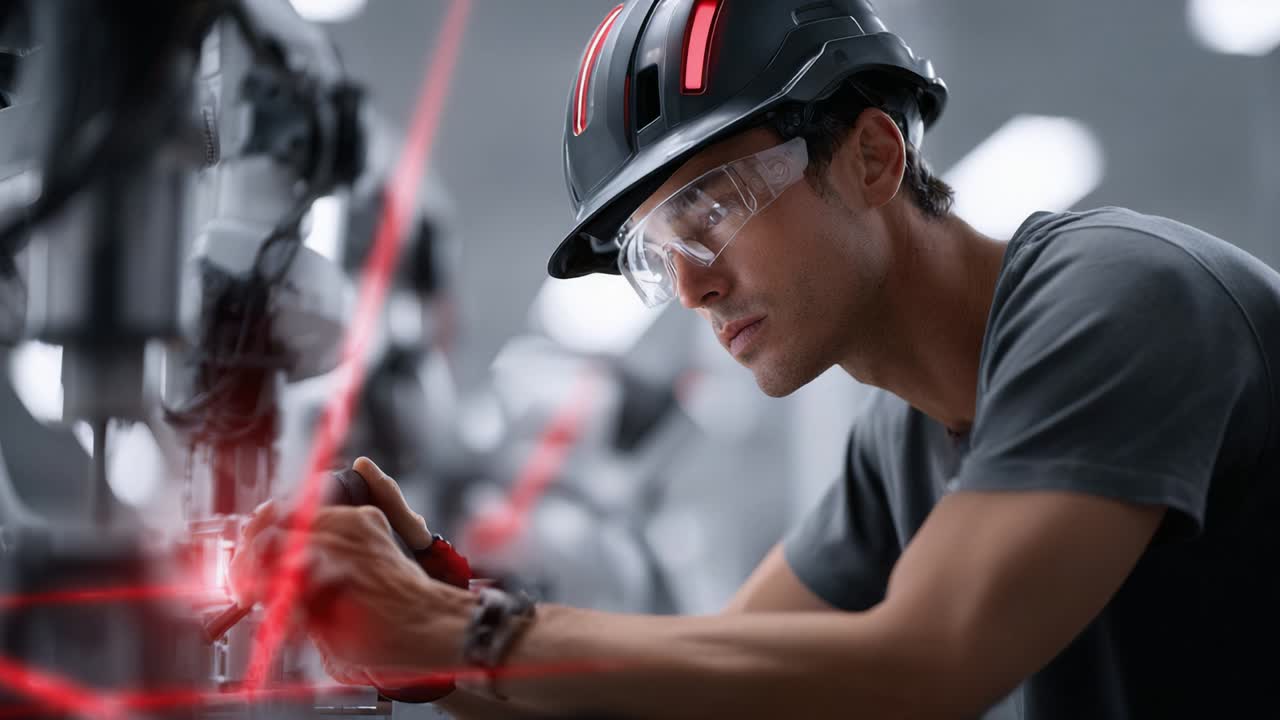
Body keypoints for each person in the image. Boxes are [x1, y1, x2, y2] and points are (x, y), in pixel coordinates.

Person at [230, 1, 1280, 717]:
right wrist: (427, 648)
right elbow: (720, 695)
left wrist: (466, 635)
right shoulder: (900, 438)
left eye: (714, 207)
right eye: (658, 254)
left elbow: (923, 663)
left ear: (873, 156)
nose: (690, 285)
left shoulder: (1121, 300)